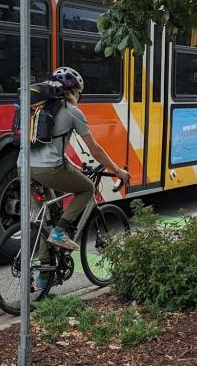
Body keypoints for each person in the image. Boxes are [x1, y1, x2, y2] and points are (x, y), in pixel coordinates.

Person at [29, 66, 130, 251]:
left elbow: (50, 146)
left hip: (23, 168)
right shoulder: (71, 111)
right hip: (49, 170)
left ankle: (44, 274)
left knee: (48, 219)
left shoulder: (38, 106)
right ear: (74, 91)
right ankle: (60, 233)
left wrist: (73, 166)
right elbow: (95, 150)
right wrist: (117, 171)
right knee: (87, 188)